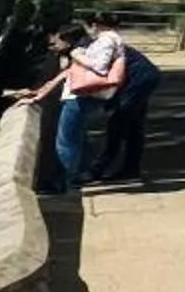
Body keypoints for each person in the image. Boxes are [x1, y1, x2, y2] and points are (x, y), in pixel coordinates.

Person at [14, 23, 122, 193]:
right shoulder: (83, 50)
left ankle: (63, 184)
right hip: (85, 98)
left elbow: (97, 68)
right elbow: (62, 76)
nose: (54, 47)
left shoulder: (80, 53)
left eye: (57, 42)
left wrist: (76, 55)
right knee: (76, 138)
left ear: (69, 40)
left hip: (78, 98)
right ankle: (76, 176)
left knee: (65, 143)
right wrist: (38, 93)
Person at [88, 17, 163, 185]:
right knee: (134, 125)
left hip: (136, 80)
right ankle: (131, 168)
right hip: (142, 77)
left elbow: (102, 71)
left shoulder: (99, 43)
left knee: (118, 122)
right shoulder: (107, 41)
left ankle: (99, 168)